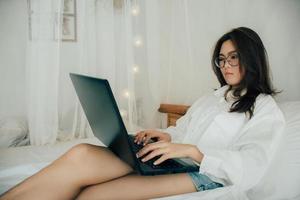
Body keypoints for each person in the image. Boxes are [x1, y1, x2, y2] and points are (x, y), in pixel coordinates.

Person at [0, 27, 285, 200]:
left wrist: (195, 152)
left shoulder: (265, 109)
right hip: (179, 159)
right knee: (81, 154)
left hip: (207, 175)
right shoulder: (213, 98)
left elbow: (252, 167)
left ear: (251, 57)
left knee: (91, 194)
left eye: (233, 57)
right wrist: (165, 135)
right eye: (222, 59)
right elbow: (184, 130)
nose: (225, 65)